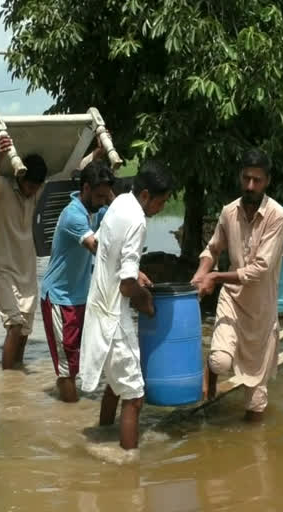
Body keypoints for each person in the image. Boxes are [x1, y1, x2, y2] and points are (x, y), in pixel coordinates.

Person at [79, 159, 173, 450]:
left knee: (114, 384)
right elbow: (126, 285)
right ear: (145, 196)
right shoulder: (137, 221)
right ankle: (127, 464)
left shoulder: (120, 203)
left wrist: (136, 273)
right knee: (134, 396)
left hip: (98, 307)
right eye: (160, 202)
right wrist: (145, 300)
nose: (161, 209)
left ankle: (104, 434)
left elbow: (111, 254)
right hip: (114, 318)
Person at [191, 148, 283, 421]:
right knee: (220, 360)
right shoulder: (228, 212)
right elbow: (213, 249)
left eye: (256, 180)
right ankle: (210, 377)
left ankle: (253, 454)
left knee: (256, 404)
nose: (250, 186)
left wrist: (216, 277)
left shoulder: (276, 216)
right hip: (232, 299)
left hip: (261, 311)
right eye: (246, 178)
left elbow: (259, 269)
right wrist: (201, 274)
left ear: (267, 181)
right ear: (240, 177)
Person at [0, 134, 77, 370]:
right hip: (3, 270)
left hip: (27, 271)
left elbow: (66, 172)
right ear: (21, 177)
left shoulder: (36, 193)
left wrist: (95, 154)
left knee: (24, 331)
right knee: (14, 326)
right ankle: (7, 383)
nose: (32, 190)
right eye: (29, 185)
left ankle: (16, 376)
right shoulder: (3, 189)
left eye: (36, 187)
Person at [40, 157, 116, 402]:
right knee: (68, 370)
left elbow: (117, 215)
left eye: (107, 197)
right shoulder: (74, 215)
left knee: (82, 359)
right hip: (60, 299)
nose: (104, 202)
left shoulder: (96, 209)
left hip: (81, 296)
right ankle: (69, 417)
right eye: (100, 196)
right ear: (85, 189)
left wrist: (110, 199)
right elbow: (98, 249)